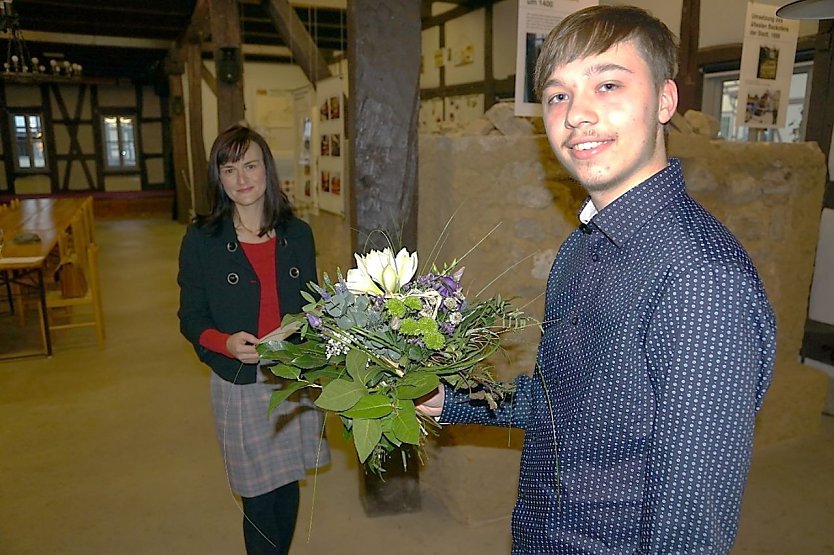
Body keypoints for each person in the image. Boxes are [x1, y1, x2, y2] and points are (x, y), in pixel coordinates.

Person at [418, 5, 776, 553]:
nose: (576, 114)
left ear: (665, 100)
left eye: (607, 85)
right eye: (558, 95)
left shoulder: (702, 279)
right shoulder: (580, 248)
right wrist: (452, 400)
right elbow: (566, 404)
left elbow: (690, 530)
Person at [178, 124, 329, 555]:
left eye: (250, 165)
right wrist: (225, 343)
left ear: (267, 169)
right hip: (239, 381)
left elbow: (313, 305)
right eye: (229, 169)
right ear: (218, 177)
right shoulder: (202, 239)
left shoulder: (298, 234)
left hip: (293, 377)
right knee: (258, 496)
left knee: (288, 482)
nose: (241, 178)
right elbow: (191, 318)